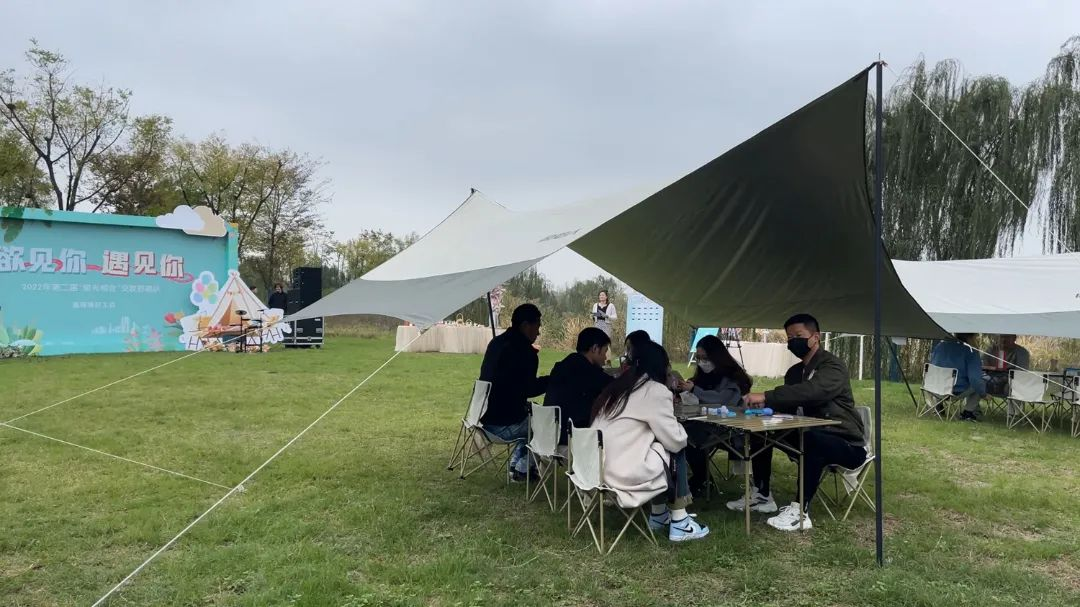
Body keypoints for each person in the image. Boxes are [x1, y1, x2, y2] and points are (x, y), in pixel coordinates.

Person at [735, 314, 867, 532]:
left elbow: (812, 392)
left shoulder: (833, 367)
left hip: (845, 443)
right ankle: (762, 495)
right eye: (789, 338)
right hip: (807, 434)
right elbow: (790, 402)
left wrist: (767, 396)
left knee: (813, 439)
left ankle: (800, 511)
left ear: (815, 337)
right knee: (761, 431)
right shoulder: (794, 373)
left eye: (798, 335)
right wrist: (767, 409)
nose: (793, 342)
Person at [591, 341, 709, 542]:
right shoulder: (654, 390)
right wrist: (680, 428)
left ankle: (659, 514)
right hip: (621, 474)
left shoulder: (619, 387)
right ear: (661, 366)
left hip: (596, 470)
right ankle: (680, 522)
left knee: (657, 448)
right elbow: (675, 440)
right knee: (675, 449)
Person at [479, 303, 549, 481]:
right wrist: (552, 381)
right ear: (525, 326)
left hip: (483, 418)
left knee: (530, 412)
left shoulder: (496, 343)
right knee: (545, 422)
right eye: (537, 327)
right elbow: (529, 389)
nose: (538, 332)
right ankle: (523, 469)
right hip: (504, 425)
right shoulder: (526, 353)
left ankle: (516, 465)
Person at [677, 334, 753, 494]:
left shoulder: (733, 377)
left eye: (705, 358)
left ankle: (701, 480)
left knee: (688, 436)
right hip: (704, 422)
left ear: (716, 356)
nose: (701, 362)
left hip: (728, 427)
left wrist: (694, 390)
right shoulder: (702, 376)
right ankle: (698, 478)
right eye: (698, 358)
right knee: (680, 432)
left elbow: (722, 400)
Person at [544, 328, 614, 447]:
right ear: (595, 349)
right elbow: (613, 386)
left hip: (548, 436)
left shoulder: (564, 365)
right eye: (605, 351)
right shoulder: (587, 371)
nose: (606, 357)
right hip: (570, 440)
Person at [930, 333, 987, 422]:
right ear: (971, 337)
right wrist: (984, 394)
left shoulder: (939, 346)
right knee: (980, 382)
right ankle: (968, 413)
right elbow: (975, 380)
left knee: (941, 377)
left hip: (934, 388)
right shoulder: (970, 351)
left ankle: (938, 405)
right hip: (954, 392)